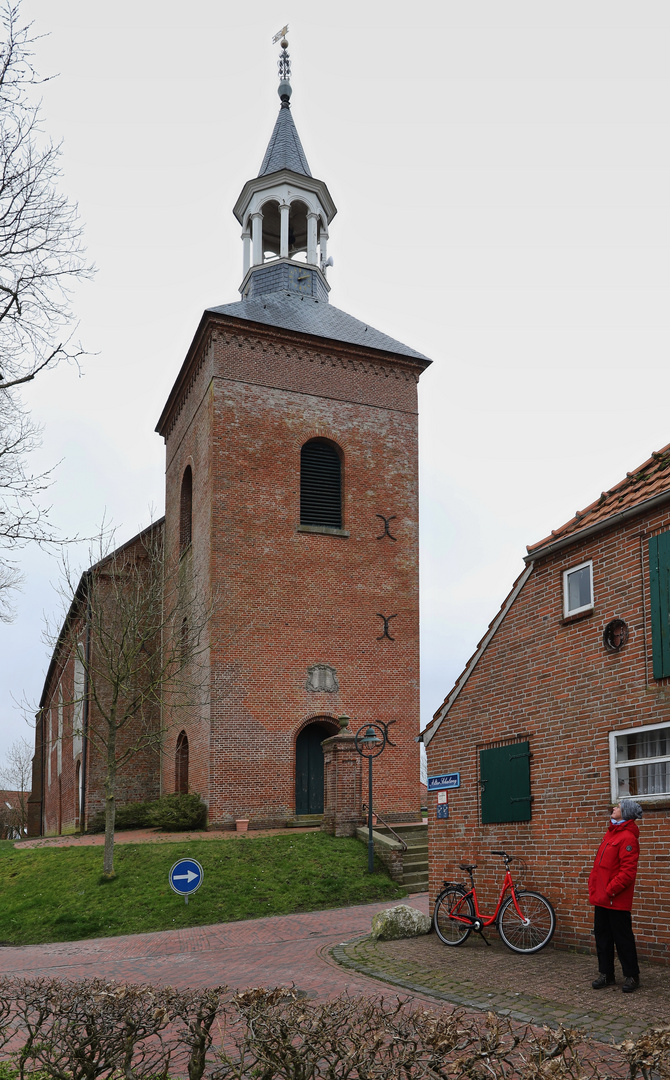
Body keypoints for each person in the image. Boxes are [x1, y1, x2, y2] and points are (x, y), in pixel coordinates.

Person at [588, 797, 643, 993]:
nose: (614, 808)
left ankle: (631, 975)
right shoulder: (610, 834)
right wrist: (596, 886)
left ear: (625, 813)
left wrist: (610, 889)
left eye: (618, 807)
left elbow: (627, 873)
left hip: (615, 898)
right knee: (602, 938)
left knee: (623, 938)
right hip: (602, 898)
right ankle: (606, 974)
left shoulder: (627, 838)